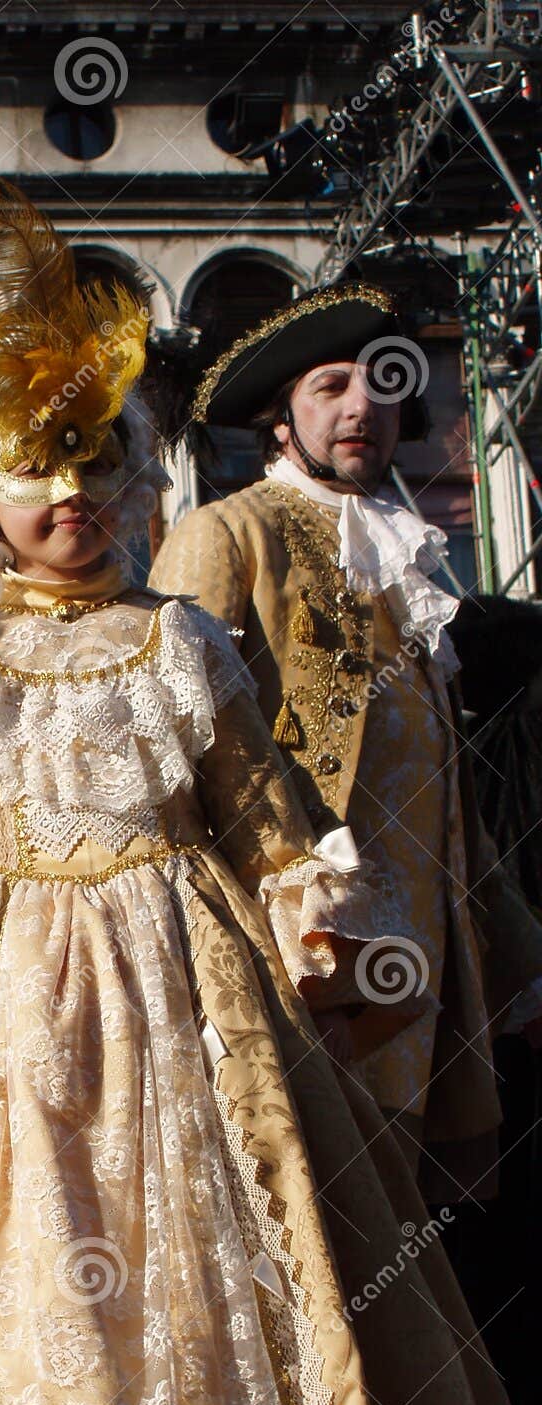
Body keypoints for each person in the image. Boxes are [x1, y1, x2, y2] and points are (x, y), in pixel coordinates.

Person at [0, 192, 542, 1405]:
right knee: (36, 1233)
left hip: (189, 976)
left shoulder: (181, 638)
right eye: (35, 465)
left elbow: (266, 807)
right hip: (13, 998)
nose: (69, 492)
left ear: (133, 470)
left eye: (92, 457)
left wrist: (310, 906)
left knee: (212, 1221)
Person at [148, 284, 542, 1207]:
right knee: (314, 1229)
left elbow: (456, 806)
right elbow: (175, 757)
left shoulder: (408, 562)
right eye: (330, 386)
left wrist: (523, 961)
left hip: (433, 971)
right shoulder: (226, 531)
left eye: (379, 386)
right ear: (282, 419)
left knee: (422, 1244)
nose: (361, 405)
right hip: (315, 962)